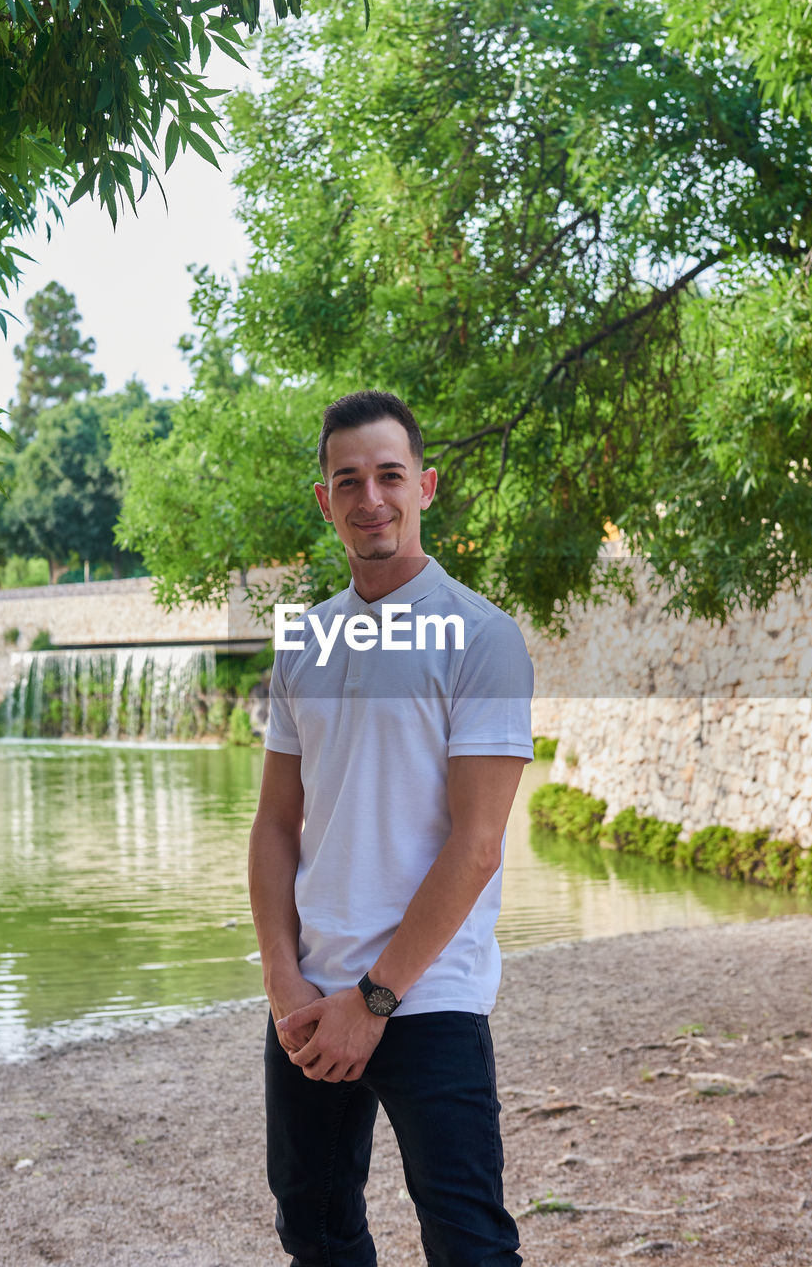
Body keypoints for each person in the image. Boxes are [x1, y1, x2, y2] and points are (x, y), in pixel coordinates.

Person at [248, 389, 534, 1266]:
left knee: (467, 1243)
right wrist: (283, 979)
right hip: (307, 999)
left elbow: (477, 844)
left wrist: (374, 1002)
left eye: (390, 476)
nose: (370, 497)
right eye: (349, 479)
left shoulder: (483, 639)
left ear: (427, 487)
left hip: (428, 996)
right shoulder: (304, 641)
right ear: (324, 499)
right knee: (316, 1230)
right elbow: (275, 825)